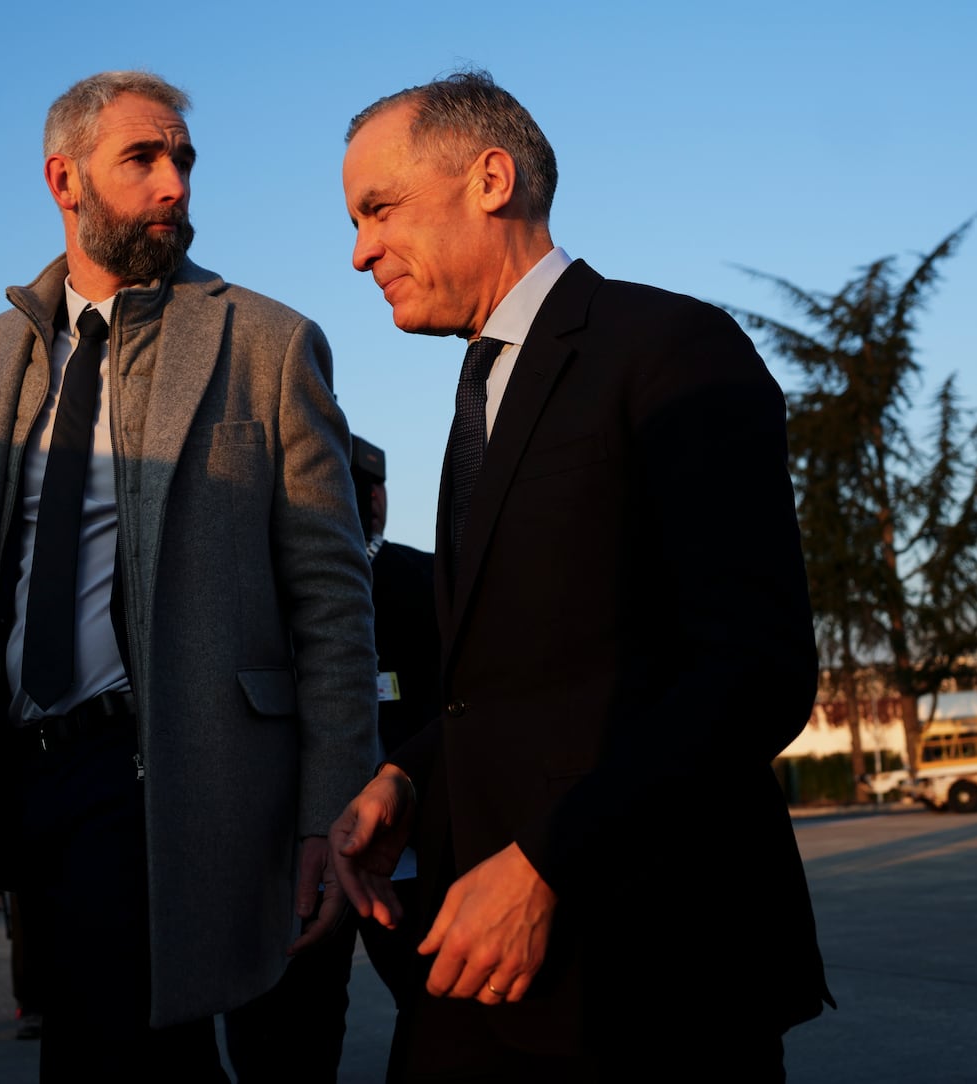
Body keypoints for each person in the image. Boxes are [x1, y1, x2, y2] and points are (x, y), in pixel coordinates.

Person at [0, 71, 377, 1081]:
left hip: (166, 765)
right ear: (65, 177)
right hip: (14, 778)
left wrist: (329, 809)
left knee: (116, 1049)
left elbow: (331, 597)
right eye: (143, 158)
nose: (174, 182)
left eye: (181, 159)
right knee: (116, 1048)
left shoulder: (265, 342)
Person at [329, 71, 832, 1081]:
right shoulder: (481, 391)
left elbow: (754, 667)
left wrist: (549, 864)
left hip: (650, 973)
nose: (358, 252)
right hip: (485, 968)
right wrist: (407, 771)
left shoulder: (670, 349)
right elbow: (543, 673)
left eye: (377, 210)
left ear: (490, 178)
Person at [224, 435, 439, 1083]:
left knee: (434, 1020)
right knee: (285, 1036)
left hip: (402, 856)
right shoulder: (255, 594)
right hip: (296, 856)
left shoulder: (423, 583)